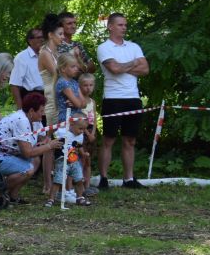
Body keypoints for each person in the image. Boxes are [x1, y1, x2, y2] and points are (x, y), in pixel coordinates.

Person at [97, 13, 149, 190]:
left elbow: (145, 69)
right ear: (110, 26)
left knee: (130, 140)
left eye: (125, 25)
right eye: (120, 25)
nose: (124, 28)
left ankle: (128, 179)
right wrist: (133, 63)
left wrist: (123, 66)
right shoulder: (104, 47)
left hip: (133, 98)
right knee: (108, 140)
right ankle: (103, 178)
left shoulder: (134, 46)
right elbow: (114, 68)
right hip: (113, 98)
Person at [0, 92, 64, 201]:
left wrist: (48, 139)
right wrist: (49, 145)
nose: (43, 114)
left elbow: (42, 139)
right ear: (31, 111)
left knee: (35, 160)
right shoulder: (21, 120)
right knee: (28, 169)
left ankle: (13, 195)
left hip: (8, 153)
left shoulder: (35, 121)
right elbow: (28, 153)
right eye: (41, 111)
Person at [38, 14, 64, 194]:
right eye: (60, 34)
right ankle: (47, 183)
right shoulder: (45, 53)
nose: (63, 37)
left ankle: (59, 180)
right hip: (49, 100)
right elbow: (59, 74)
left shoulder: (57, 53)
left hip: (59, 98)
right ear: (50, 35)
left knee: (59, 139)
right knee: (48, 142)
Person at [46, 112, 90, 207]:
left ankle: (80, 197)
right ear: (72, 124)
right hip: (62, 161)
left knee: (79, 179)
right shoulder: (62, 132)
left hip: (74, 161)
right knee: (58, 180)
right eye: (80, 128)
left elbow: (79, 146)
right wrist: (50, 141)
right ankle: (51, 199)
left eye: (84, 129)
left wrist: (83, 153)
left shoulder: (80, 135)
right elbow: (52, 137)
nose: (82, 131)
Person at [9, 28, 45, 109]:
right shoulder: (21, 58)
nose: (42, 40)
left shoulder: (47, 55)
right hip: (32, 100)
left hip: (48, 98)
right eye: (39, 37)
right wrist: (20, 109)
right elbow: (14, 84)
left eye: (44, 37)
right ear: (30, 40)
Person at [78, 73, 98, 196]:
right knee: (82, 159)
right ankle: (79, 186)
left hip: (91, 132)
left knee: (89, 160)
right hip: (81, 131)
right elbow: (80, 121)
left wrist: (93, 133)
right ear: (80, 86)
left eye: (91, 85)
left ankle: (87, 185)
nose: (88, 88)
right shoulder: (79, 101)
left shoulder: (92, 102)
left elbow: (95, 119)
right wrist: (86, 133)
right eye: (85, 85)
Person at [53, 52, 86, 122]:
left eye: (76, 66)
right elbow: (79, 104)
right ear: (63, 69)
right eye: (73, 67)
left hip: (77, 116)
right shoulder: (63, 83)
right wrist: (78, 102)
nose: (76, 69)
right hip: (67, 118)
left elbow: (84, 104)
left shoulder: (74, 82)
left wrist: (78, 102)